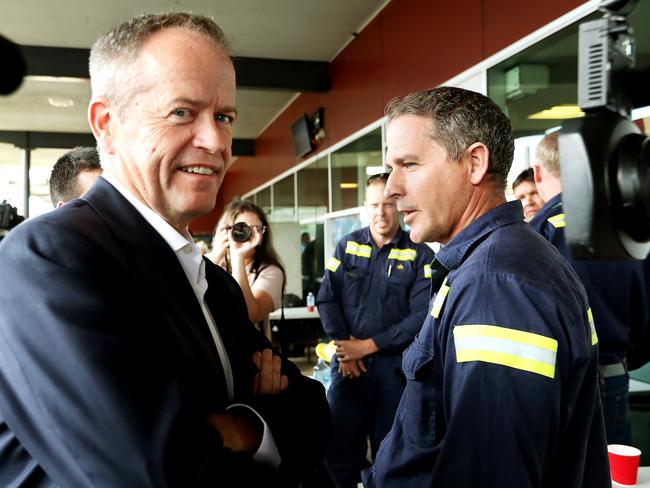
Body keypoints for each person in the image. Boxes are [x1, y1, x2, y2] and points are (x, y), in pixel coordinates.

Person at [0, 13, 329, 487]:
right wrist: (259, 420)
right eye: (182, 112)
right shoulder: (49, 258)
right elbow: (146, 474)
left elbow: (313, 416)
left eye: (224, 117)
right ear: (107, 124)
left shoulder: (212, 283)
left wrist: (240, 427)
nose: (215, 142)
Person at [364, 87, 609, 487]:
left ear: (475, 162)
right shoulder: (495, 266)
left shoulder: (496, 287)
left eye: (408, 164)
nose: (392, 187)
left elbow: (492, 472)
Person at [317, 172, 435, 488]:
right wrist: (344, 347)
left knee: (390, 452)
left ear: (398, 205)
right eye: (373, 205)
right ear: (364, 208)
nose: (380, 212)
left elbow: (420, 316)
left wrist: (367, 346)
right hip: (347, 368)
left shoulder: (420, 252)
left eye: (387, 203)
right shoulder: (347, 246)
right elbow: (327, 298)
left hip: (394, 373)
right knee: (339, 450)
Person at [530, 131, 646, 445]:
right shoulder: (627, 229)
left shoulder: (534, 236)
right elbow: (645, 318)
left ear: (539, 173)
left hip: (556, 381)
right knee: (610, 474)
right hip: (613, 371)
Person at [206, 200, 285, 340]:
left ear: (262, 236)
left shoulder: (270, 271)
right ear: (225, 230)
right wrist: (215, 253)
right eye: (240, 228)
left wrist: (238, 257)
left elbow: (250, 316)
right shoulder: (210, 261)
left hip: (250, 355)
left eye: (256, 229)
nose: (247, 234)